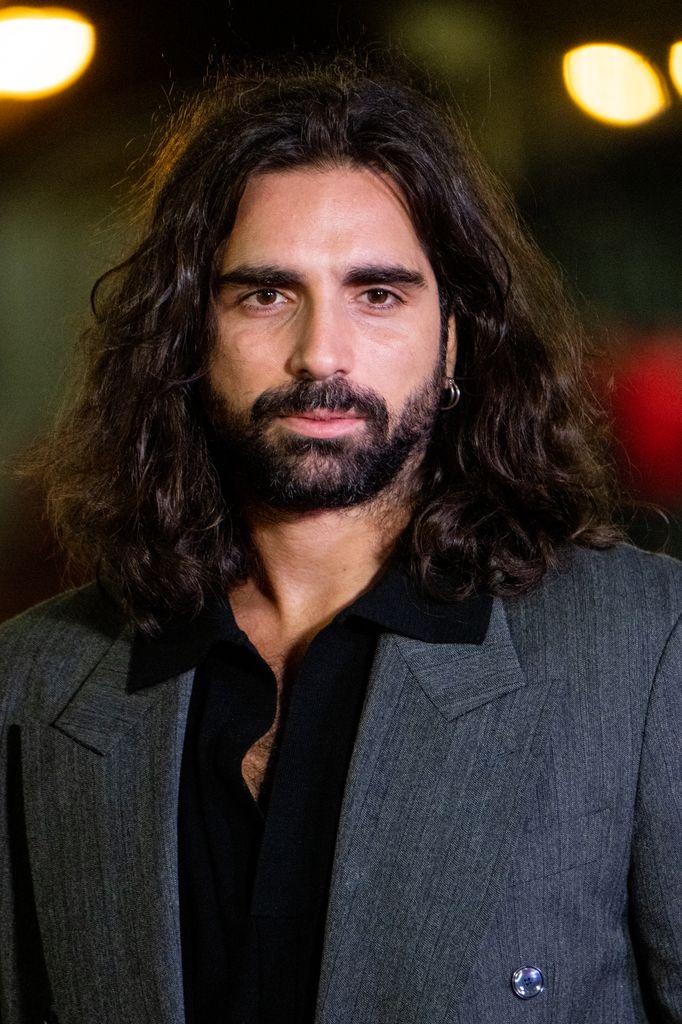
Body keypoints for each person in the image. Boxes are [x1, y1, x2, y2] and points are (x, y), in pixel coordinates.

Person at [1, 61, 681, 1024]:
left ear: (453, 339)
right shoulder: (29, 684)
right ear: (189, 335)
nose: (322, 353)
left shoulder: (644, 650)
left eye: (378, 294)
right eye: (266, 295)